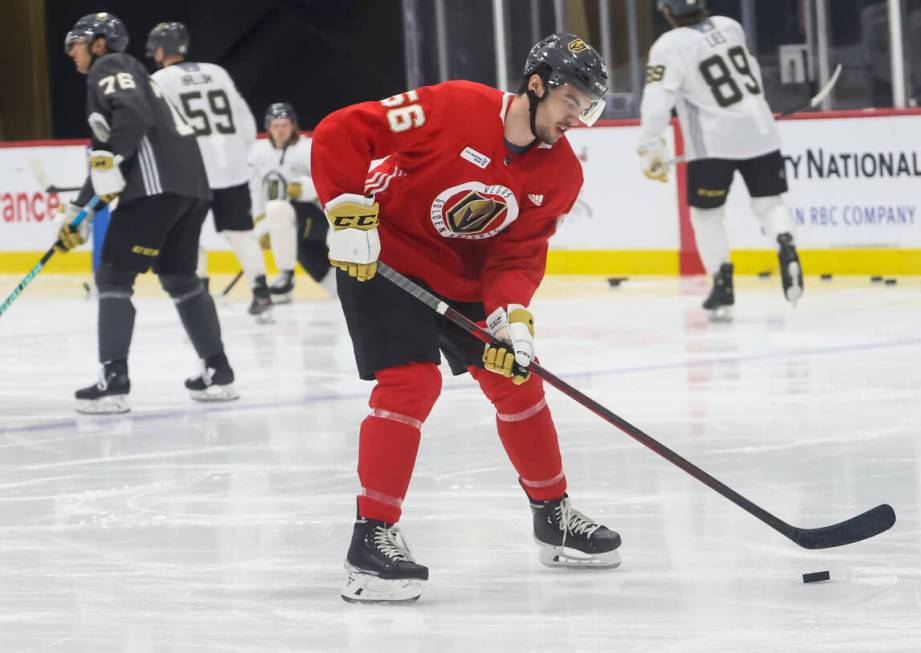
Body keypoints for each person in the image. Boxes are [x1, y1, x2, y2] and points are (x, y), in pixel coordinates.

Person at [311, 33, 620, 604]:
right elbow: (342, 131)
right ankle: (370, 540)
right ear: (536, 85)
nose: (577, 118)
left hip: (462, 277)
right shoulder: (451, 106)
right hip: (384, 257)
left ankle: (552, 515)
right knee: (411, 381)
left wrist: (512, 320)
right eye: (571, 101)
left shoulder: (560, 176)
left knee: (515, 376)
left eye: (587, 107)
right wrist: (348, 211)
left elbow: (516, 255)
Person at [58, 12, 238, 413]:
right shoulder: (135, 73)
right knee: (180, 278)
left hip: (158, 190)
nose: (71, 52)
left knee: (113, 277)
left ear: (100, 43)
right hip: (191, 189)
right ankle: (217, 371)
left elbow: (130, 121)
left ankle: (113, 382)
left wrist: (104, 167)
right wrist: (78, 208)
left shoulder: (111, 65)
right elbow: (113, 154)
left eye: (77, 42)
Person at [637, 0, 803, 322]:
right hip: (761, 130)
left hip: (712, 144)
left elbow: (656, 104)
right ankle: (786, 243)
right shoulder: (730, 26)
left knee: (706, 214)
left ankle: (722, 282)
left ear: (668, 12)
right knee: (770, 203)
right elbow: (752, 75)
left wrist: (650, 146)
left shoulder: (669, 46)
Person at [146, 21, 272, 321]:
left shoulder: (160, 80)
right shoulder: (218, 72)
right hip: (232, 168)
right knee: (241, 233)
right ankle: (261, 292)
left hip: (192, 172)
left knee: (186, 235)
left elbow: (161, 129)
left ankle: (199, 295)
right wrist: (235, 155)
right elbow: (244, 119)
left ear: (161, 50)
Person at [249, 102, 331, 302]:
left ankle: (285, 274)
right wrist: (262, 225)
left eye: (284, 125)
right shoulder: (258, 153)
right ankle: (285, 288)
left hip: (315, 215)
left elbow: (328, 180)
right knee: (324, 274)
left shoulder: (308, 147)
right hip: (287, 222)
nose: (280, 130)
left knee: (277, 208)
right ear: (268, 127)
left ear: (293, 125)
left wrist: (305, 188)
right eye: (275, 125)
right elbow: (256, 190)